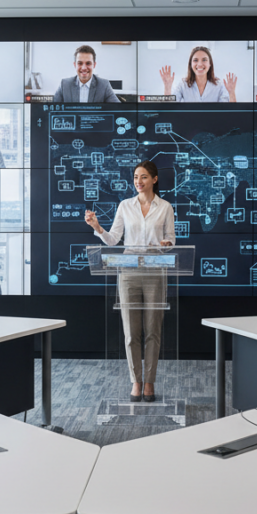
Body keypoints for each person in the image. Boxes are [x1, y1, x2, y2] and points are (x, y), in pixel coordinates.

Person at [85, 161, 175, 403]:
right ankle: (136, 381)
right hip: (129, 272)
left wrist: (167, 244)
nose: (138, 181)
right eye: (136, 176)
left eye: (144, 177)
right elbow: (113, 240)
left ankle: (149, 382)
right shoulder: (125, 206)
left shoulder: (165, 207)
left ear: (154, 180)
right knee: (131, 332)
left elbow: (171, 239)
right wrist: (97, 227)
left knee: (153, 331)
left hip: (156, 270)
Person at [158, 46, 237, 102]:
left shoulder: (219, 86)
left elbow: (228, 112)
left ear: (210, 64)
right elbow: (169, 108)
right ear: (190, 64)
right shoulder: (183, 84)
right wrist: (167, 88)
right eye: (195, 60)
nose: (199, 64)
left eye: (204, 60)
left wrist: (231, 93)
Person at [53, 45, 120, 103]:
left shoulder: (104, 85)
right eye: (80, 63)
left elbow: (119, 109)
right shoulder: (64, 85)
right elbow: (52, 110)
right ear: (75, 65)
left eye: (88, 63)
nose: (84, 68)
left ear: (94, 65)